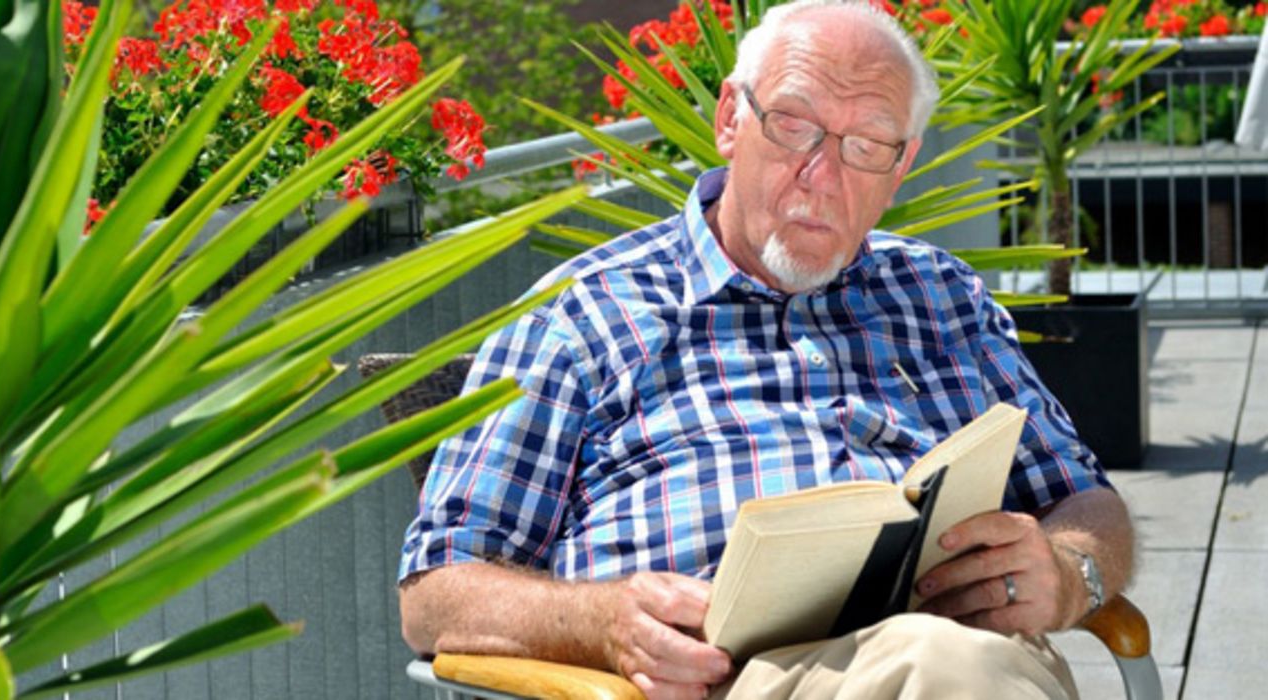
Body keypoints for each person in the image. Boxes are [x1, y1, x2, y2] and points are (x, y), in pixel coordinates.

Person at [398, 1, 1134, 698]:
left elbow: (1085, 497)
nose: (821, 175)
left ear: (901, 165)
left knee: (950, 661)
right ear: (729, 119)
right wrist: (603, 623)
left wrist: (1071, 573)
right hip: (722, 680)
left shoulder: (941, 296)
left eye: (866, 145)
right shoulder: (586, 311)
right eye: (793, 126)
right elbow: (436, 593)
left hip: (961, 656)